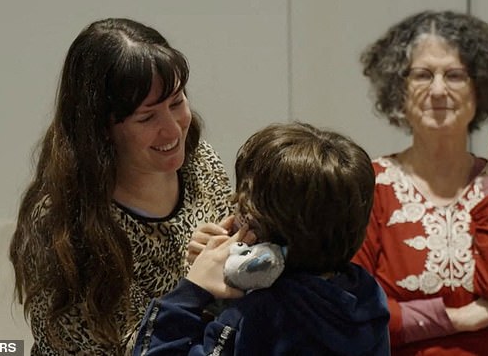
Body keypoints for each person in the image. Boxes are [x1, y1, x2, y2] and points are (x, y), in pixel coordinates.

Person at [9, 18, 233, 355]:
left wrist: (229, 253)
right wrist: (195, 288)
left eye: (176, 103)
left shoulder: (202, 163)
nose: (172, 131)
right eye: (147, 118)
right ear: (101, 129)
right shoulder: (62, 226)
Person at [352, 10, 488, 355]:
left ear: (480, 87)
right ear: (399, 88)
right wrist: (459, 318)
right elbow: (355, 311)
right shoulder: (368, 185)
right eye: (422, 75)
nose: (438, 90)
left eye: (455, 75)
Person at [133, 122, 391, 355]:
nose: (234, 207)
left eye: (244, 202)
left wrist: (192, 290)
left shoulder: (256, 315)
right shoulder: (366, 294)